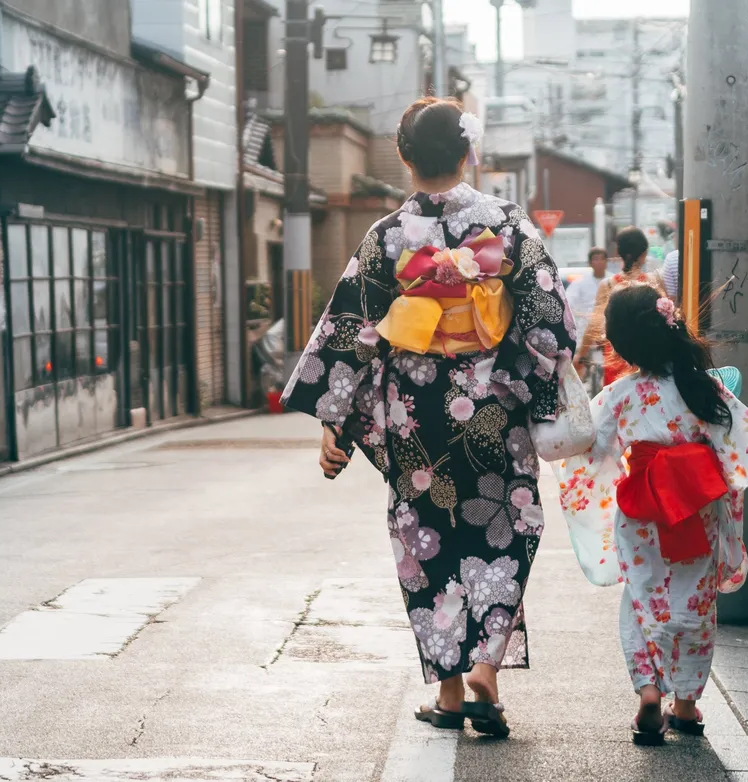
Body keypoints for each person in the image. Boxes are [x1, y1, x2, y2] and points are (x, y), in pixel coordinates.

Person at [282, 96, 575, 738]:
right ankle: (485, 670)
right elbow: (549, 322)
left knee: (427, 539)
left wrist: (336, 419)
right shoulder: (508, 223)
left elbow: (352, 331)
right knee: (506, 527)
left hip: (415, 417)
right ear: (468, 151)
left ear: (404, 156)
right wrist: (526, 386)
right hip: (493, 406)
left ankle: (449, 692)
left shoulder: (388, 236)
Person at [555, 283, 748, 745]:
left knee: (643, 598)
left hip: (642, 511)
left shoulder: (620, 394)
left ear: (621, 344)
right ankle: (685, 705)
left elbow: (589, 448)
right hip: (695, 507)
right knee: (695, 601)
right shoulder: (702, 388)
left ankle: (649, 690)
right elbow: (739, 443)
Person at [575, 227, 664, 386]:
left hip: (616, 358)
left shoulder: (608, 285)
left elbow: (594, 325)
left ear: (618, 252)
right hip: (649, 357)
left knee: (617, 399)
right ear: (644, 253)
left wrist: (580, 355)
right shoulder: (653, 282)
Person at [662, 249, 748, 356]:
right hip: (729, 340)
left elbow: (672, 305)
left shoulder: (673, 259)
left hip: (691, 337)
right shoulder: (729, 259)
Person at [565, 246, 609, 347]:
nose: (599, 262)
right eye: (596, 259)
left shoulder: (612, 280)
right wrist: (584, 315)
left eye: (602, 259)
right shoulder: (579, 283)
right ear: (590, 263)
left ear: (607, 262)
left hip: (608, 333)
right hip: (586, 333)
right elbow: (568, 304)